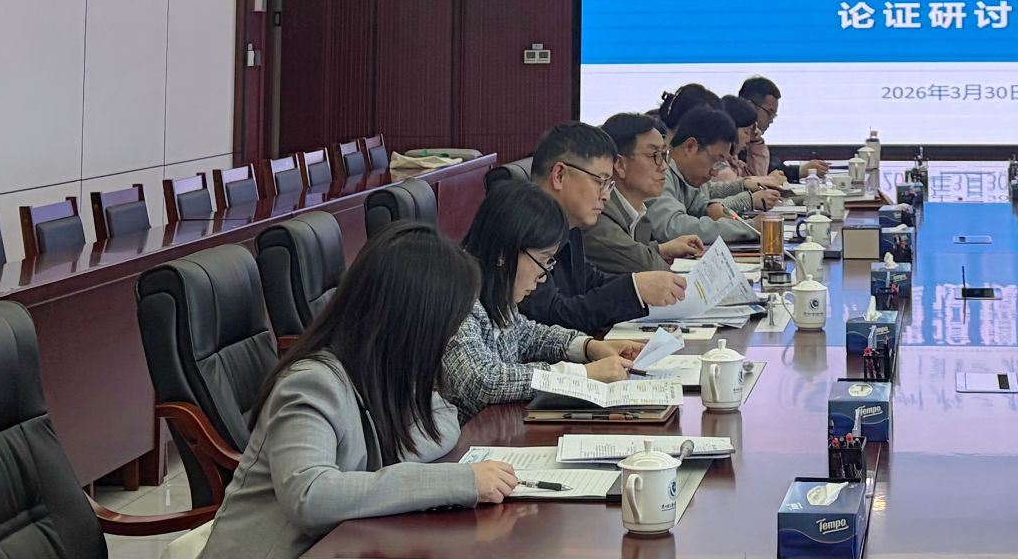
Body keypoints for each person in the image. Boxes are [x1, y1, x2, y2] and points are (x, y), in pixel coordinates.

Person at [199, 222, 516, 559]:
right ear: (411, 322)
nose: (451, 338)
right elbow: (310, 495)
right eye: (448, 325)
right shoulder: (312, 383)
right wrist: (456, 482)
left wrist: (389, 475)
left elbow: (442, 420)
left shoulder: (391, 371)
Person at [443, 180, 642, 418]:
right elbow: (482, 381)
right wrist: (581, 375)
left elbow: (527, 336)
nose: (544, 276)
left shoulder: (495, 290)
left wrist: (590, 347)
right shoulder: (456, 298)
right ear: (504, 253)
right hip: (467, 437)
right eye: (543, 261)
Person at [518, 121, 687, 331]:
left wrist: (640, 284)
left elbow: (590, 281)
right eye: (600, 181)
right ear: (559, 175)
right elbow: (553, 316)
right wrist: (634, 290)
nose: (606, 196)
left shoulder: (568, 226)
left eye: (608, 184)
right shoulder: (523, 228)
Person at [588, 113, 707, 274]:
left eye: (664, 155)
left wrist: (662, 250)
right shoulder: (599, 213)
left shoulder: (638, 214)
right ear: (620, 165)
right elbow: (647, 266)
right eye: (654, 156)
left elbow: (631, 252)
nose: (664, 167)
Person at [647, 106, 761, 245]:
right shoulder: (658, 172)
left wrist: (712, 209)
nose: (714, 172)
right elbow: (672, 228)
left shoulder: (686, 178)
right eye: (715, 161)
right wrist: (749, 228)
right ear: (690, 146)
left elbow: (703, 209)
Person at [738, 76, 781, 177]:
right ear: (750, 106)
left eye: (774, 115)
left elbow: (755, 178)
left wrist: (756, 142)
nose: (771, 120)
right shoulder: (730, 140)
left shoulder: (753, 140)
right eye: (769, 113)